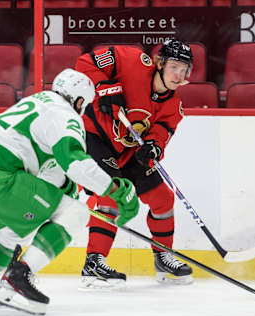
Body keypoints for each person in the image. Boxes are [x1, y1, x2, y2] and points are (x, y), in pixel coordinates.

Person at [0, 68, 139, 315]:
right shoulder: (65, 114)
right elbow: (76, 162)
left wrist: (67, 189)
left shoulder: (37, 102)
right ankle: (19, 277)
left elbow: (50, 173)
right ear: (80, 100)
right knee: (78, 214)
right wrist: (116, 190)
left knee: (19, 224)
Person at [75, 38, 194, 289]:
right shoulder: (132, 61)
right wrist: (106, 88)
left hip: (129, 151)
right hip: (95, 137)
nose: (179, 74)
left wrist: (153, 147)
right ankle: (93, 262)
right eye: (174, 66)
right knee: (113, 193)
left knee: (163, 198)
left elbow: (162, 132)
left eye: (184, 70)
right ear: (159, 62)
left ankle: (163, 256)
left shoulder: (174, 106)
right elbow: (84, 62)